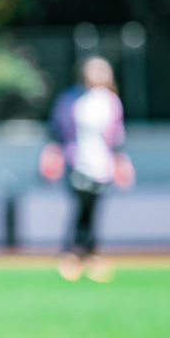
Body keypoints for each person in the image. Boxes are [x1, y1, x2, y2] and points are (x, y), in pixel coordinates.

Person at [41, 56, 133, 281]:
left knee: (95, 209)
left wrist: (120, 162)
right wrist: (52, 155)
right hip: (76, 162)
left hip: (102, 165)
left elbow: (117, 137)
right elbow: (56, 130)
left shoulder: (111, 101)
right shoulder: (71, 98)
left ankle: (90, 254)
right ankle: (71, 253)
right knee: (79, 207)